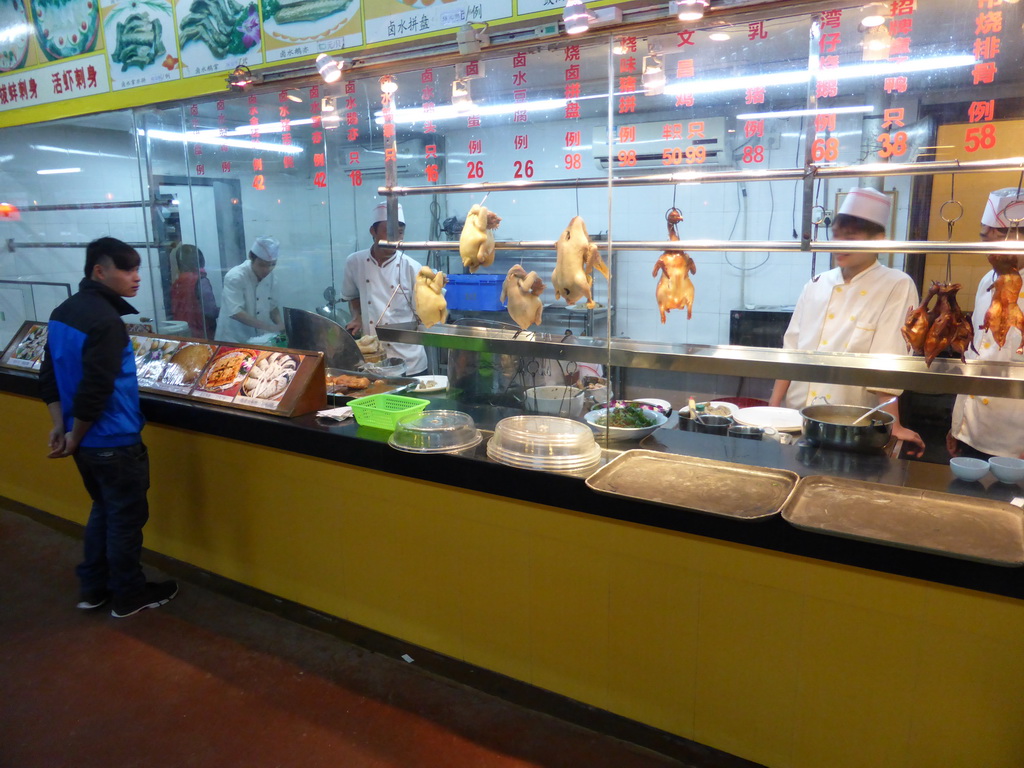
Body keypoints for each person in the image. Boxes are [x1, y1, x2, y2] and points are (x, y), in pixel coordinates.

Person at [39, 237, 178, 618]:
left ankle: (93, 588)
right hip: (113, 440)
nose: (136, 278)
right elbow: (95, 389)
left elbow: (49, 375)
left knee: (104, 510)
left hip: (82, 442)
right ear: (99, 271)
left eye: (137, 269)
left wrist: (61, 428)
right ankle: (130, 595)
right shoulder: (106, 321)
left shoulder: (63, 312)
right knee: (126, 521)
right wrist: (75, 434)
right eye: (127, 270)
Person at [769, 186, 926, 455]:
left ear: (878, 239)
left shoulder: (896, 284)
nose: (840, 244)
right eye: (837, 235)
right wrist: (772, 407)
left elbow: (887, 359)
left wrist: (894, 425)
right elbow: (791, 348)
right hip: (797, 418)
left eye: (850, 237)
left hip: (853, 424)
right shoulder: (816, 284)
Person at [947, 187, 1024, 459]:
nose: (989, 252)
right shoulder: (987, 279)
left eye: (997, 241)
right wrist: (958, 425)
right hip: (972, 429)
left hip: (1014, 440)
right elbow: (975, 354)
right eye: (984, 239)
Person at [340, 202, 428, 375]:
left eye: (400, 232)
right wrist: (357, 317)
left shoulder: (412, 267)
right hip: (372, 359)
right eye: (388, 232)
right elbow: (352, 295)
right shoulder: (355, 262)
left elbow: (423, 316)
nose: (394, 239)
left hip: (409, 362)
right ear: (372, 231)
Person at [215, 236, 283, 343]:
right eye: (262, 265)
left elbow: (273, 307)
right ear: (251, 257)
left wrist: (280, 326)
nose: (267, 270)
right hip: (233, 338)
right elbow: (236, 312)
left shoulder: (272, 278)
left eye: (272, 265)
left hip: (258, 339)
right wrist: (268, 327)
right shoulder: (235, 277)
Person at [170, 243, 218, 338]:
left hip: (183, 333)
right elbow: (210, 311)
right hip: (201, 334)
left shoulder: (177, 282)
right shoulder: (200, 281)